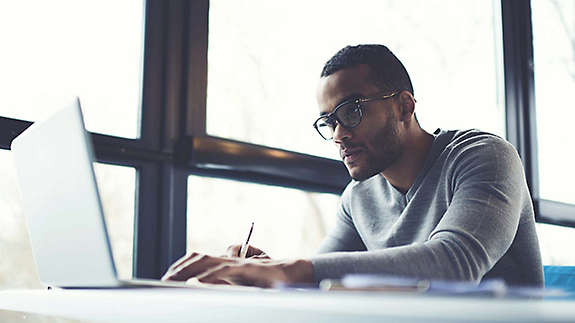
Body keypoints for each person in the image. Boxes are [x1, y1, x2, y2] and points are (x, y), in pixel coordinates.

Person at [162, 44, 544, 288]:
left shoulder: (482, 156)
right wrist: (266, 273)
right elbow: (322, 273)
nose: (339, 134)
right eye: (329, 121)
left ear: (404, 106)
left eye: (353, 111)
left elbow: (456, 262)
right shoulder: (358, 198)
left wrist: (293, 269)